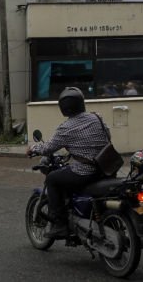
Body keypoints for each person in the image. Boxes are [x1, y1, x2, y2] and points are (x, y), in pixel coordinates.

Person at [28, 87, 109, 236]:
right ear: (81, 103)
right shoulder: (97, 118)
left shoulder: (66, 127)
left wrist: (33, 148)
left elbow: (48, 148)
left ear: (63, 108)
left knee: (52, 179)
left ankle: (60, 224)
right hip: (106, 168)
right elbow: (107, 135)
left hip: (85, 172)